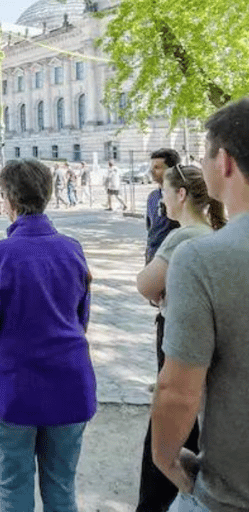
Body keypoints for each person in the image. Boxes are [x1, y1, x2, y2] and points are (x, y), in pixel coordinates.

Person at [0, 158, 96, 512]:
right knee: (62, 488)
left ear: (8, 198)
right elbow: (81, 316)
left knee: (15, 486)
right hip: (70, 381)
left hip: (13, 386)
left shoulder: (2, 252)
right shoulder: (72, 247)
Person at [152, 97, 249, 512]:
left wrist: (166, 460)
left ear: (224, 162)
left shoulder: (203, 258)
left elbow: (177, 390)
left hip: (229, 495)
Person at [136, 164, 225, 512]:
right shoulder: (215, 232)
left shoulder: (182, 236)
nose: (161, 200)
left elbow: (145, 284)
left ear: (181, 195)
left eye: (166, 192)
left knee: (170, 427)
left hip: (177, 336)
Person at [135, 147, 183, 512]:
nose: (152, 175)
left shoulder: (186, 236)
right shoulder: (153, 198)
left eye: (158, 170)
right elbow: (152, 235)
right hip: (157, 273)